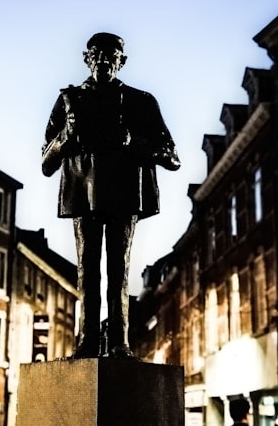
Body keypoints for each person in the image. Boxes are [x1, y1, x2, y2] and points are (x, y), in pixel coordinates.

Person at [42, 32, 180, 358]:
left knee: (119, 270)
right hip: (82, 195)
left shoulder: (140, 101)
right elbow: (46, 162)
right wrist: (66, 136)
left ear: (122, 61)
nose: (103, 61)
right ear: (86, 58)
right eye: (97, 54)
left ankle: (119, 342)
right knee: (86, 271)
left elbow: (171, 157)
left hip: (124, 193)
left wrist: (132, 141)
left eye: (111, 55)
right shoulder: (69, 101)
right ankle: (87, 342)